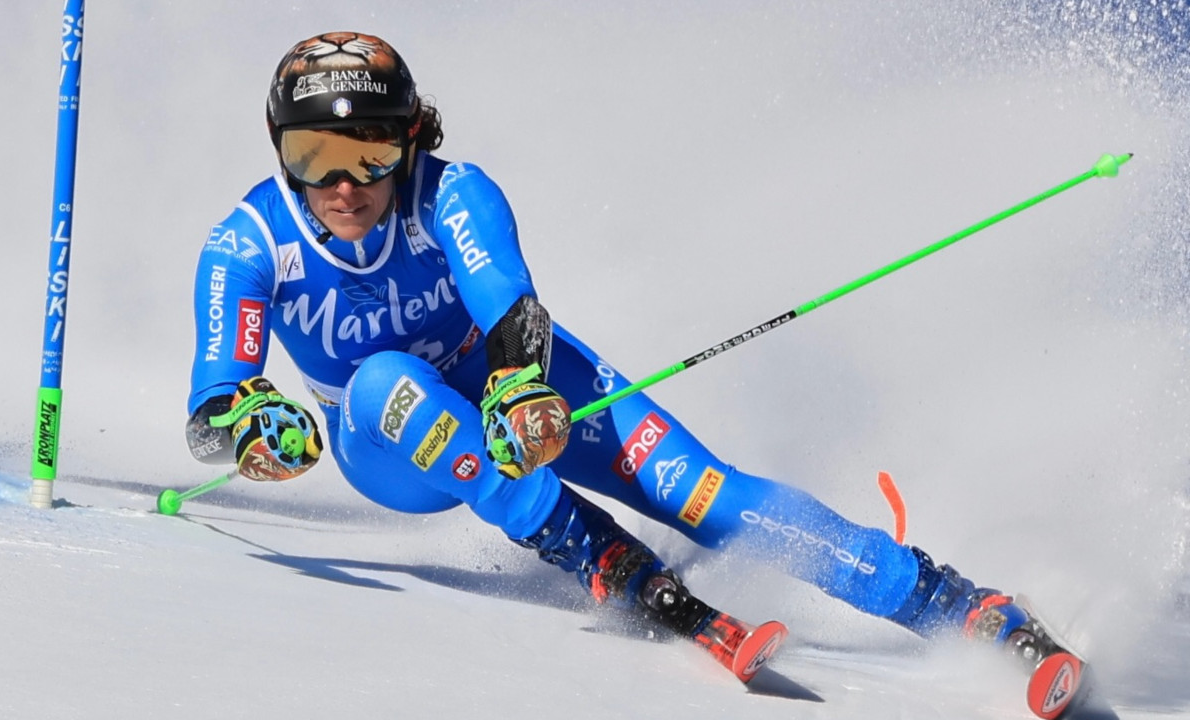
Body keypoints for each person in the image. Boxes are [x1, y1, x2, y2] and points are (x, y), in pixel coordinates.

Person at [185, 31, 1071, 687]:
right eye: (313, 157)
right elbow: (211, 413)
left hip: (502, 381)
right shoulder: (248, 243)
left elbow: (509, 305)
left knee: (701, 491)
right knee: (387, 383)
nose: (344, 187)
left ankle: (950, 602)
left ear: (412, 138)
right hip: (393, 448)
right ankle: (595, 555)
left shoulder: (453, 193)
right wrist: (248, 430)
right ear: (279, 152)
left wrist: (523, 384)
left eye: (370, 150)